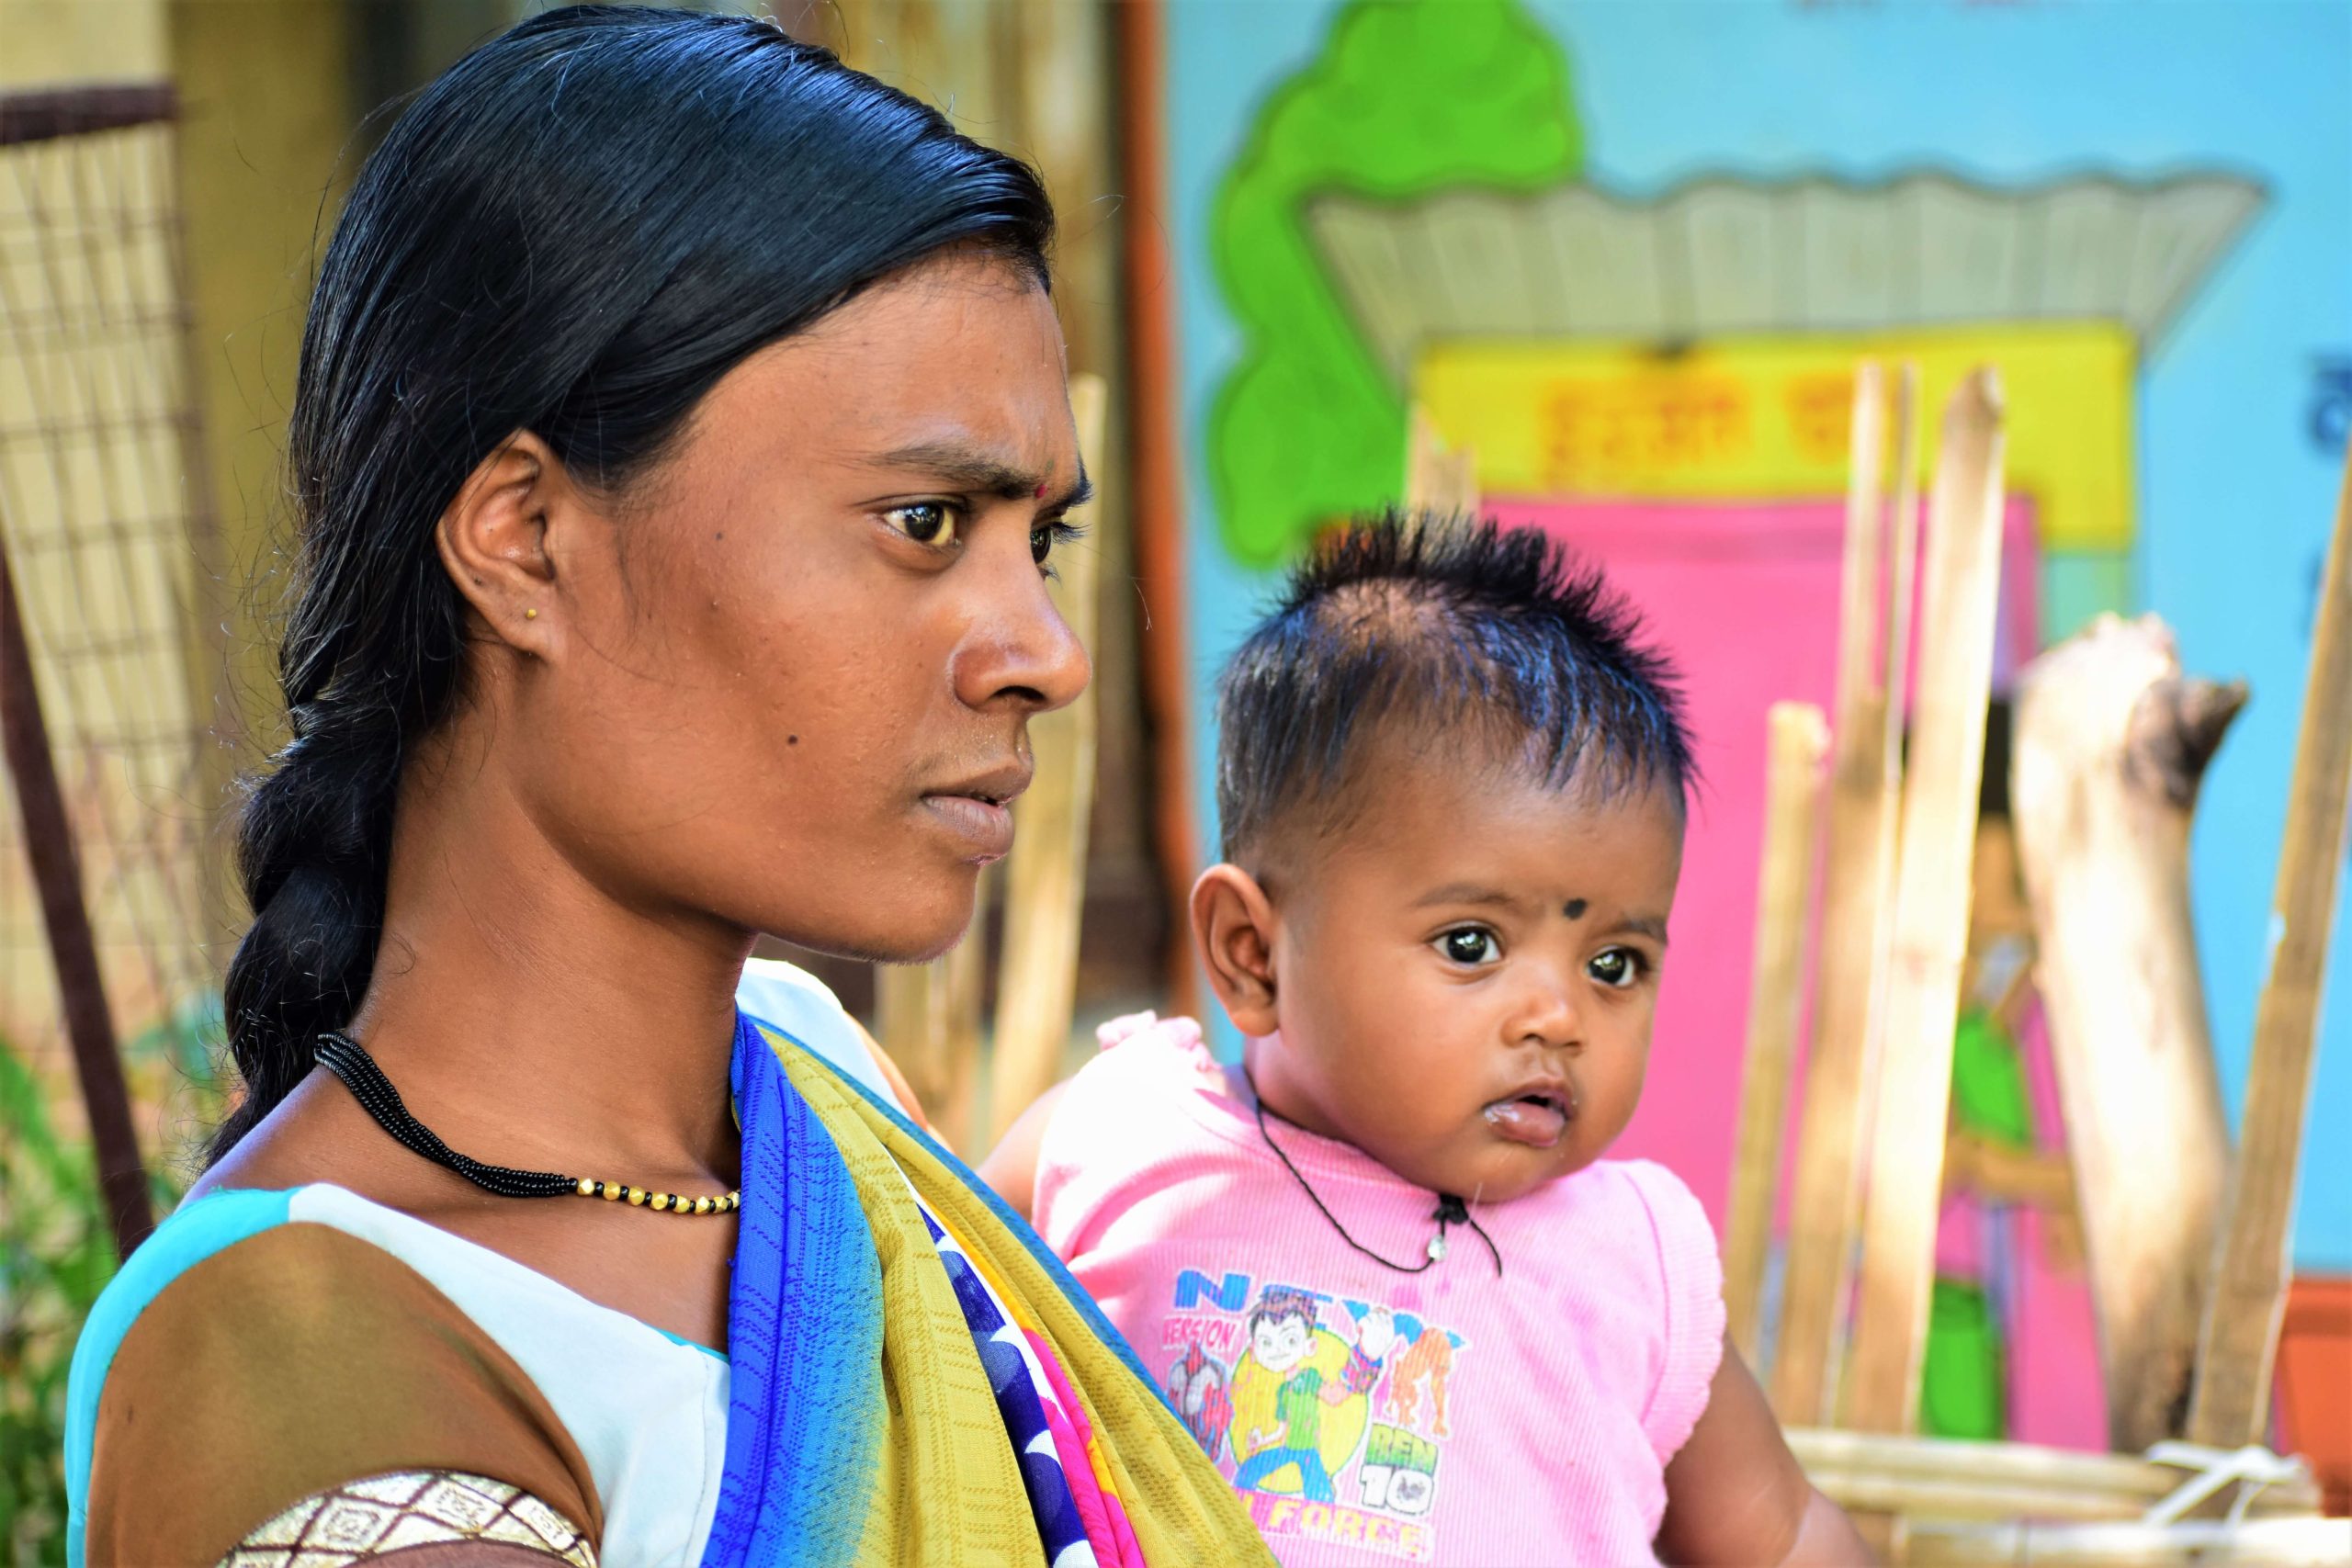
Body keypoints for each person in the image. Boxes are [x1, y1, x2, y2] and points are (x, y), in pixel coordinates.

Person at [62, 9, 1268, 1566]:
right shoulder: (317, 1358)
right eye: (922, 521)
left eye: (1038, 540)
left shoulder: (808, 1089)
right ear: (523, 539)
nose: (1047, 652)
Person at [984, 514, 1870, 1566]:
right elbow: (917, 1370)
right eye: (1470, 943)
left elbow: (1786, 1537)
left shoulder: (1631, 1260)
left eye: (1613, 963)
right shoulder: (1114, 1143)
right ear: (1252, 955)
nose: (1558, 1017)